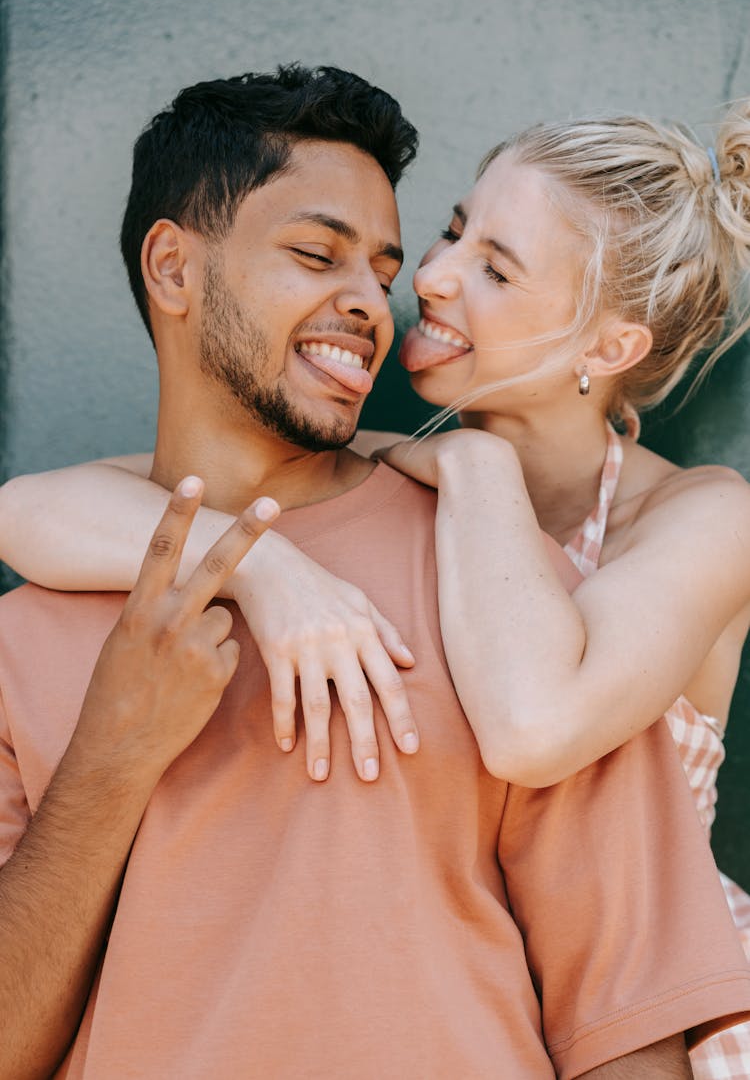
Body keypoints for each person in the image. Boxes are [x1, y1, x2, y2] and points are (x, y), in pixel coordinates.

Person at [0, 65, 748, 1080]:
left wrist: (476, 470)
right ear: (171, 270)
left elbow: (542, 749)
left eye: (494, 267)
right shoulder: (50, 606)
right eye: (450, 237)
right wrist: (261, 573)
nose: (409, 289)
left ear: (610, 344)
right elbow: (31, 508)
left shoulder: (585, 568)